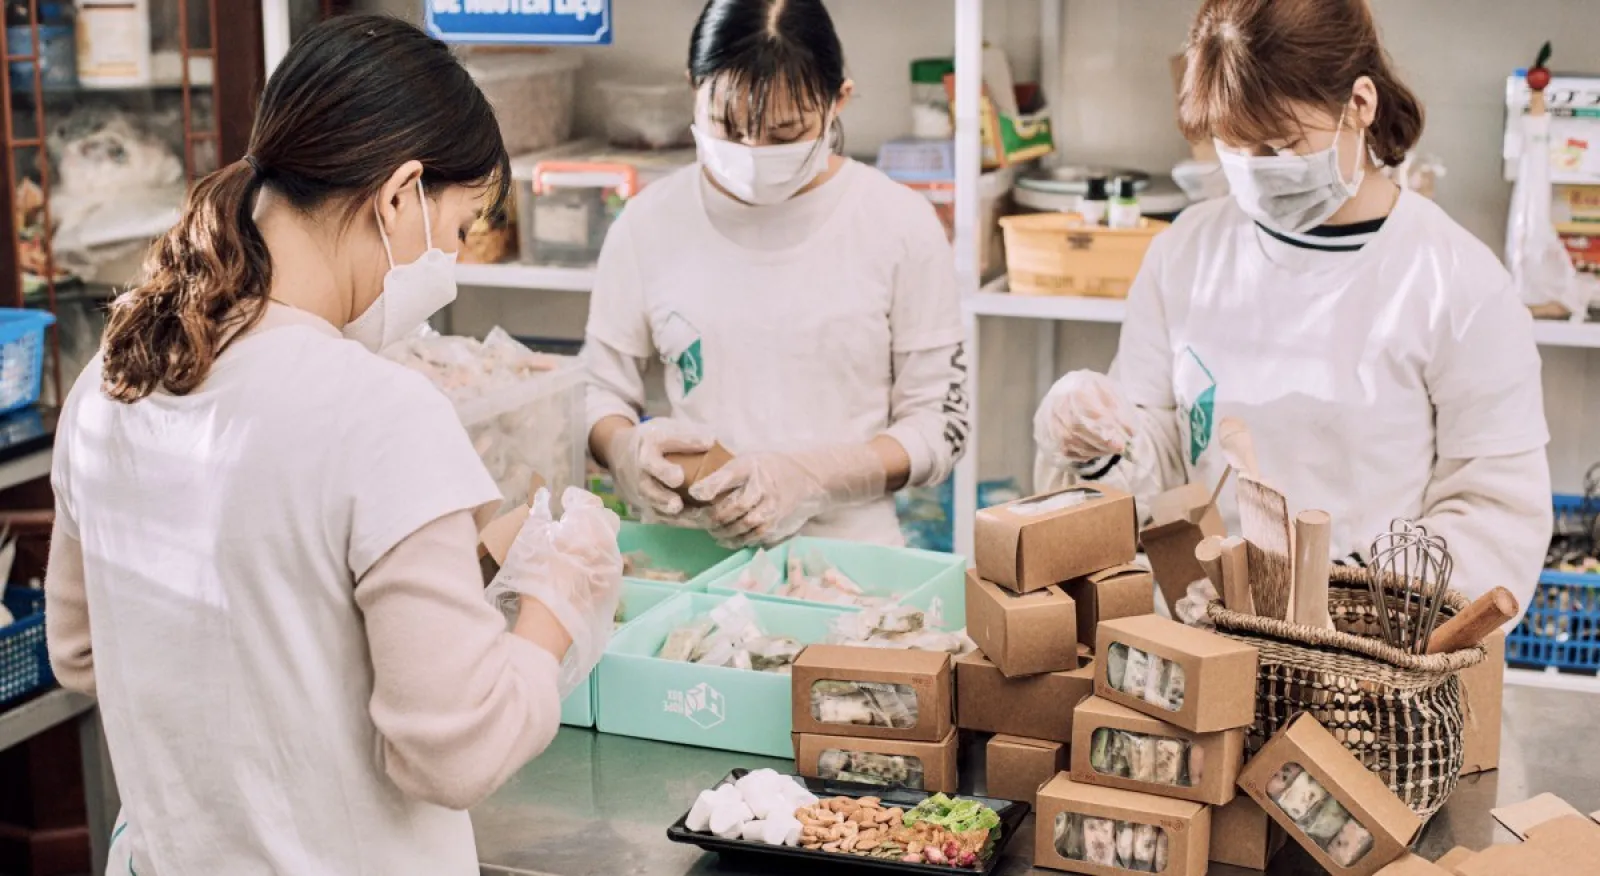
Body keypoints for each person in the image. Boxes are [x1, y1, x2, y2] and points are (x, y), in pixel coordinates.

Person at [44, 16, 622, 875]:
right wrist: (555, 603)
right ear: (400, 194)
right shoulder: (379, 412)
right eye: (460, 225)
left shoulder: (112, 380)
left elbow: (86, 649)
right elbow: (453, 752)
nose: (454, 259)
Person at [1034, 0, 1551, 616]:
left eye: (1279, 145)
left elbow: (1495, 514)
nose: (1255, 172)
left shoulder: (1457, 283)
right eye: (1234, 147)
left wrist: (1342, 601)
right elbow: (1162, 456)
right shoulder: (1184, 255)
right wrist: (1097, 439)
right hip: (1208, 627)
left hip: (1374, 651)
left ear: (1359, 104)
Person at [583, 0, 970, 549]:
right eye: (727, 126)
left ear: (839, 101)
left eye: (785, 134)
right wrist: (624, 451)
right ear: (693, 87)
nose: (752, 153)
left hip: (849, 560)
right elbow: (598, 392)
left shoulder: (898, 224)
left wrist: (812, 480)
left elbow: (940, 426)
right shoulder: (648, 223)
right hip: (687, 556)